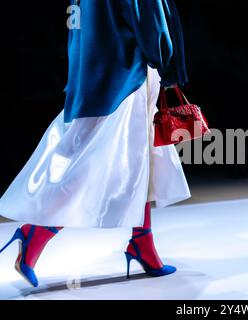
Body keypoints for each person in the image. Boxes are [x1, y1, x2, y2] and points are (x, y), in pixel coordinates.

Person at [0, 0, 191, 287]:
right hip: (127, 72)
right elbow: (149, 16)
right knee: (98, 165)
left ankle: (143, 243)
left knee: (140, 158)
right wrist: (166, 63)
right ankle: (35, 234)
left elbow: (76, 21)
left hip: (97, 67)